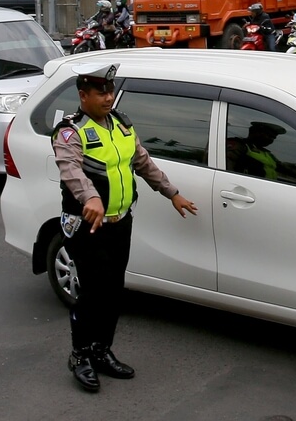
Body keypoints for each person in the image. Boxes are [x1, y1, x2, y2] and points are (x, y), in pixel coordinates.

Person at [53, 63, 198, 393]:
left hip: (120, 222)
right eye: (101, 92)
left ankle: (102, 350)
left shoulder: (121, 125)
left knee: (113, 290)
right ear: (83, 96)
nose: (108, 98)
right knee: (91, 291)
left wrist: (172, 193)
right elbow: (71, 170)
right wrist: (90, 197)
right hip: (87, 224)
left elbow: (143, 162)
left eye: (111, 91)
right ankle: (80, 356)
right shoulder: (70, 131)